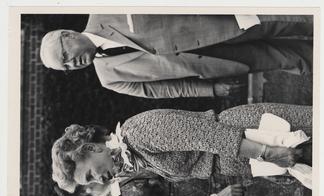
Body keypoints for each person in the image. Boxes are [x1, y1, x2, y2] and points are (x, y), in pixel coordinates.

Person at [51, 103, 312, 193]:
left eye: (89, 176)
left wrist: (269, 153)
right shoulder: (131, 159)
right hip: (250, 157)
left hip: (255, 133)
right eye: (88, 184)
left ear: (92, 149)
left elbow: (209, 136)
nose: (96, 181)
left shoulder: (138, 132)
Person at [39, 14, 313, 98]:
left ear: (68, 35)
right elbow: (164, 90)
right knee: (288, 59)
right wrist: (211, 90)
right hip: (216, 65)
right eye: (65, 66)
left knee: (288, 20)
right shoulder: (109, 79)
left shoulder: (106, 10)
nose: (71, 64)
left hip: (219, 21)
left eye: (65, 55)